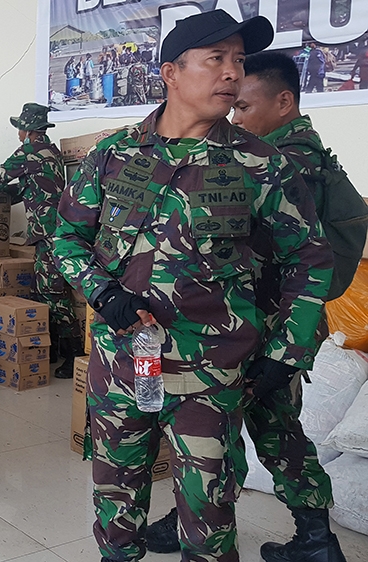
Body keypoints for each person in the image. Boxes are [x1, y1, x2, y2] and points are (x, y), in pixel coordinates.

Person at [53, 10, 332, 562]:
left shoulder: (260, 165)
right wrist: (103, 293)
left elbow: (310, 258)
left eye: (238, 60)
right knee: (116, 503)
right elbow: (66, 238)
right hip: (124, 363)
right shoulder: (114, 155)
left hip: (210, 373)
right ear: (171, 73)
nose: (232, 72)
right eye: (216, 59)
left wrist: (287, 351)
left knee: (208, 524)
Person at [141, 51, 347, 562]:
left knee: (220, 430)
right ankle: (316, 537)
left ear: (284, 102)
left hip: (261, 324)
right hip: (270, 322)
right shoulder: (307, 153)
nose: (235, 117)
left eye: (245, 106)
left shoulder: (280, 159)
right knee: (274, 428)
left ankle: (203, 520)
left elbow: (295, 256)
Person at [0, 103, 81, 379]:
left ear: (26, 130)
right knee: (47, 290)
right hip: (59, 229)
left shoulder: (28, 151)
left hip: (47, 234)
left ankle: (74, 355)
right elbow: (36, 185)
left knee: (52, 294)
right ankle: (52, 349)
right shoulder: (53, 153)